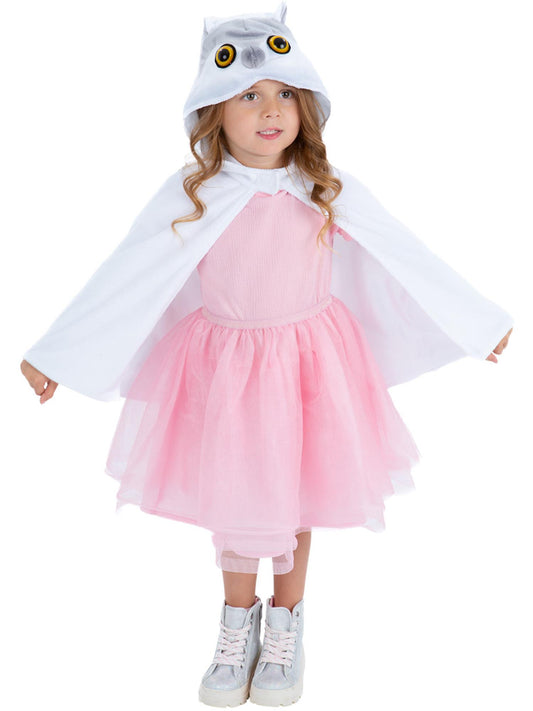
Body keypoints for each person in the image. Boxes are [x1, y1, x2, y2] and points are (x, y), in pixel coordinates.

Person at [19, 2, 514, 707]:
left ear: (306, 104)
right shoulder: (196, 193)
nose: (270, 109)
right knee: (237, 496)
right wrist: (56, 353)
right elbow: (128, 271)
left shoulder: (324, 187)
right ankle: (234, 624)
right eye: (247, 96)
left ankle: (285, 624)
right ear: (213, 112)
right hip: (226, 372)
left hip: (308, 366)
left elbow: (405, 253)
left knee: (296, 493)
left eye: (284, 92)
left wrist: (477, 322)